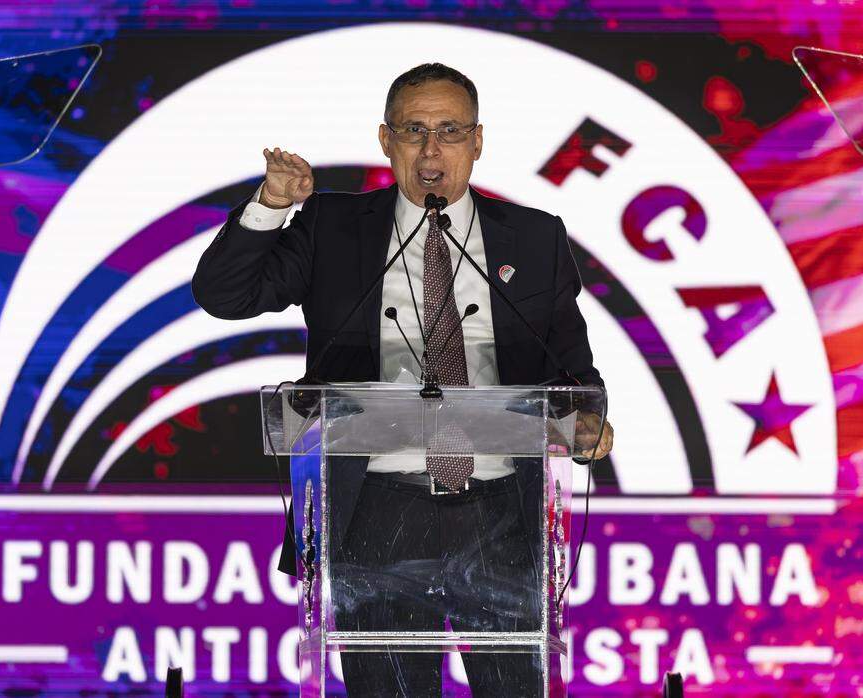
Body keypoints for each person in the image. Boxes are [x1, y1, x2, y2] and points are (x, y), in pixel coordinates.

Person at [193, 63, 612, 697]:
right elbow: (225, 295)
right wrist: (270, 208)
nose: (431, 149)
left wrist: (586, 421)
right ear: (386, 141)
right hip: (374, 509)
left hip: (502, 509)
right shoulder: (331, 228)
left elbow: (575, 371)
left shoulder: (534, 238)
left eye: (450, 130)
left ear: (478, 141)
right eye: (414, 130)